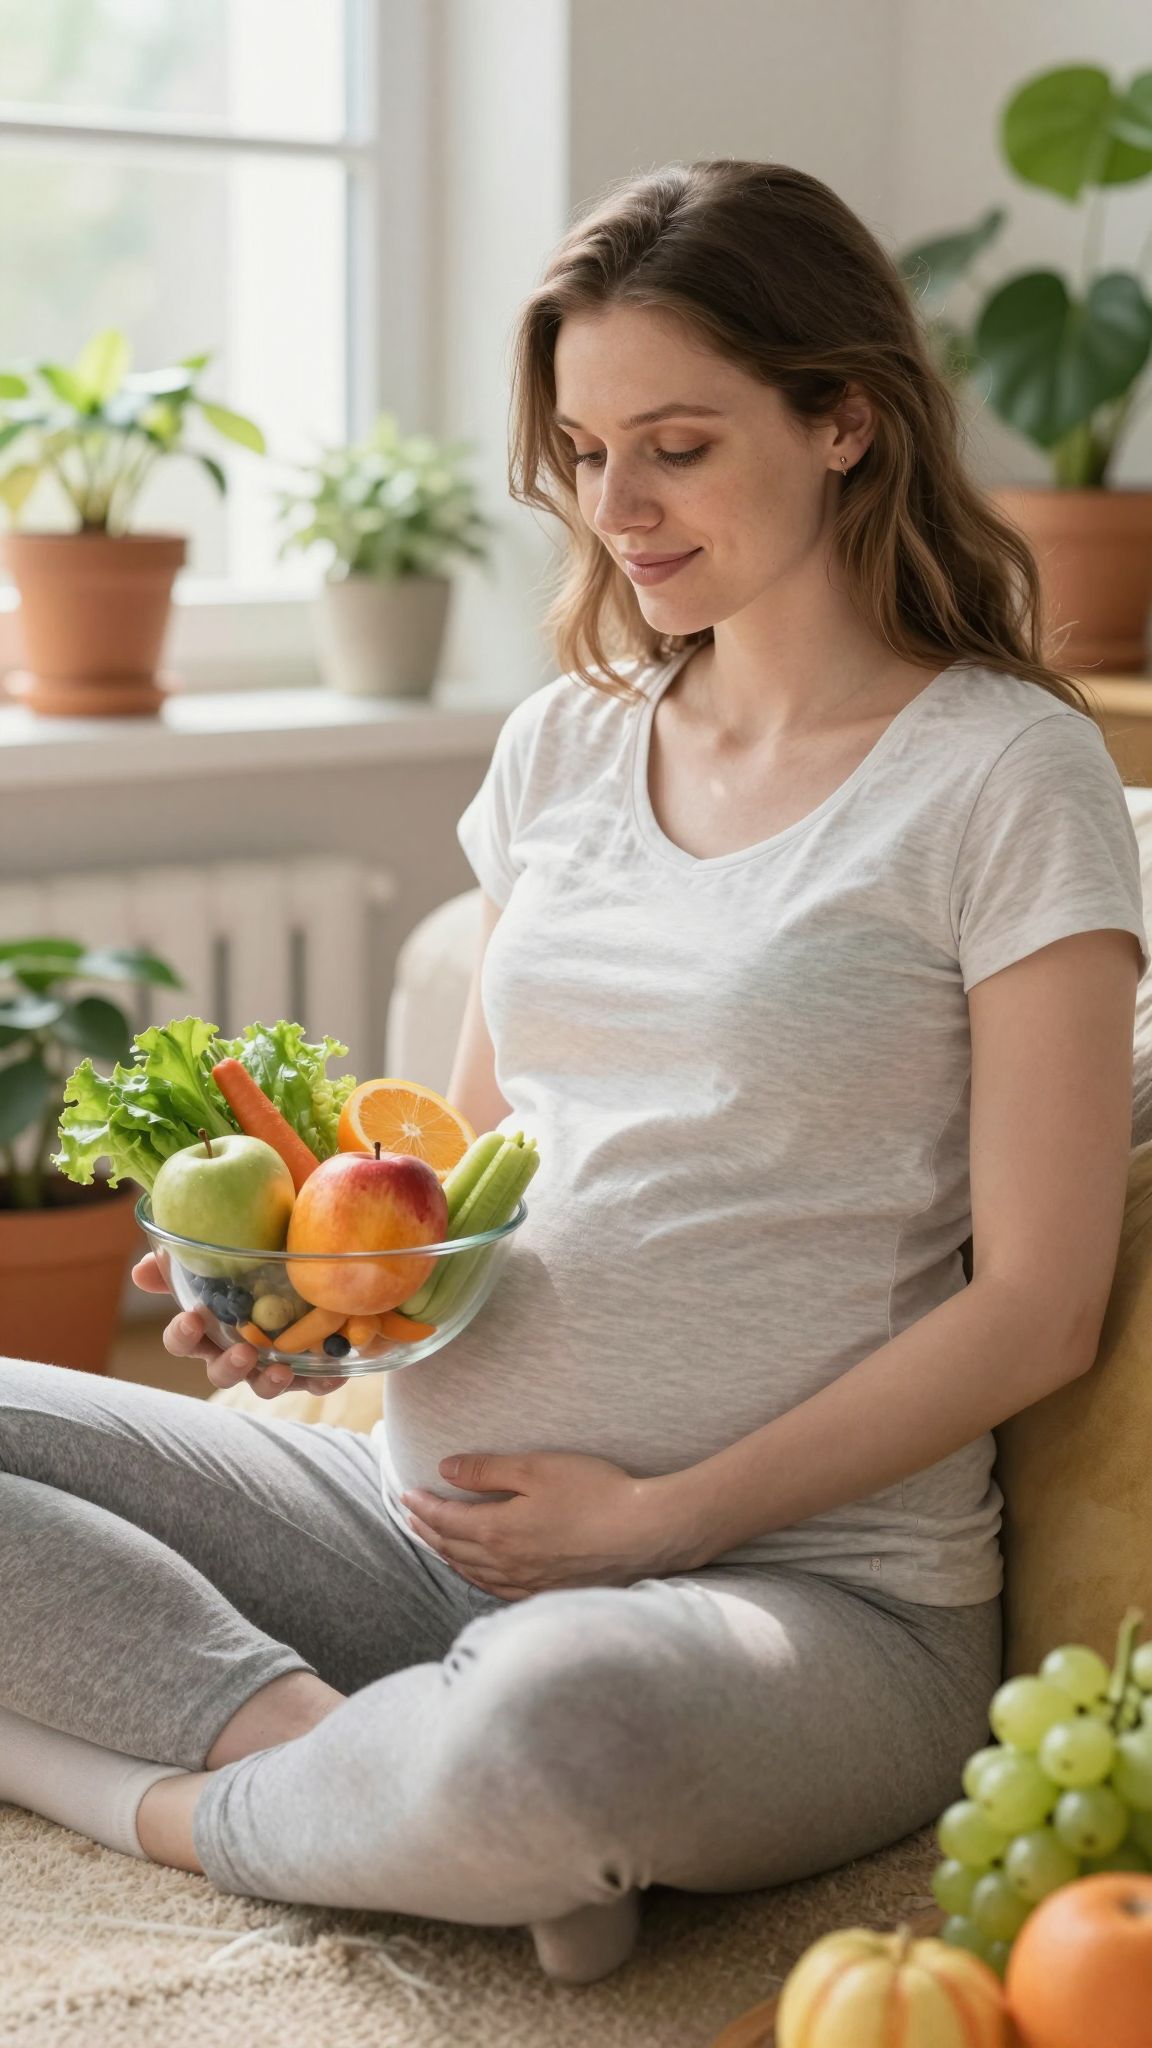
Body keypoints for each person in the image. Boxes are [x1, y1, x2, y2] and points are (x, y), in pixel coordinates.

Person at [1, 158, 1148, 1989]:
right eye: (586, 448)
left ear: (846, 418)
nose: (617, 506)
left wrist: (657, 1522)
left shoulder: (1007, 776)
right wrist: (314, 1308)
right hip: (426, 1521)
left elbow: (1040, 1308)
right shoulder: (564, 745)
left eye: (678, 445)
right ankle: (331, 1757)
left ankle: (155, 1796)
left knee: (557, 1727)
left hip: (803, 1598)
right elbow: (470, 1180)